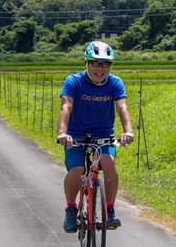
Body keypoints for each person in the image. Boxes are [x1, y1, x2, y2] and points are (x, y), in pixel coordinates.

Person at [57, 41, 134, 233]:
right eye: (95, 63)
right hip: (76, 135)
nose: (100, 69)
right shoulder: (74, 81)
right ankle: (71, 209)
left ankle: (109, 210)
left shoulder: (115, 82)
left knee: (109, 163)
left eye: (105, 64)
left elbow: (122, 107)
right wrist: (62, 133)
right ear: (87, 63)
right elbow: (66, 107)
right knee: (76, 169)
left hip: (103, 134)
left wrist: (128, 131)